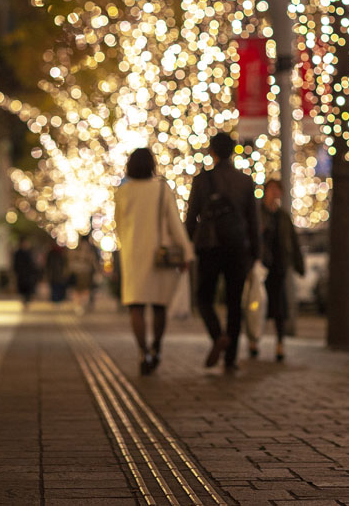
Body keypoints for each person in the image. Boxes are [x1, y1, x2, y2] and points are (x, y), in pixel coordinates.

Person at [114, 147, 194, 375]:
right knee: (159, 306)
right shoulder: (161, 189)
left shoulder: (122, 192)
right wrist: (186, 253)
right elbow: (174, 223)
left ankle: (142, 351)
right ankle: (156, 347)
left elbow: (118, 226)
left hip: (132, 255)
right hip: (159, 256)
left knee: (136, 306)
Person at [186, 132, 261, 372]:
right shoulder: (245, 181)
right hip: (237, 248)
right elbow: (253, 220)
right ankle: (230, 358)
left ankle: (218, 336)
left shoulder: (202, 180)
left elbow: (191, 218)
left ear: (213, 152)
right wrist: (256, 253)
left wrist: (188, 244)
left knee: (203, 298)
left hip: (210, 246)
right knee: (234, 302)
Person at [252, 179, 304, 361]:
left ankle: (280, 344)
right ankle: (254, 340)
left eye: (277, 190)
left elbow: (292, 241)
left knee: (279, 306)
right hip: (261, 266)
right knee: (257, 305)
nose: (275, 193)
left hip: (278, 266)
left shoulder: (282, 216)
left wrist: (298, 264)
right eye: (272, 189)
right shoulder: (258, 214)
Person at [68, 234, 99, 314]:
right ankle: (82, 305)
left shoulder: (77, 248)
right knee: (85, 289)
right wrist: (97, 270)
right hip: (86, 271)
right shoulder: (90, 249)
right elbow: (93, 260)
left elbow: (71, 259)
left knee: (77, 290)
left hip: (77, 271)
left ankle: (78, 305)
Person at [12, 236, 39, 309]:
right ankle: (25, 301)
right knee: (23, 289)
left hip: (28, 275)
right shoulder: (18, 253)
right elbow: (15, 264)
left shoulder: (29, 252)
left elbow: (32, 264)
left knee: (28, 289)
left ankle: (27, 301)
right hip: (22, 275)